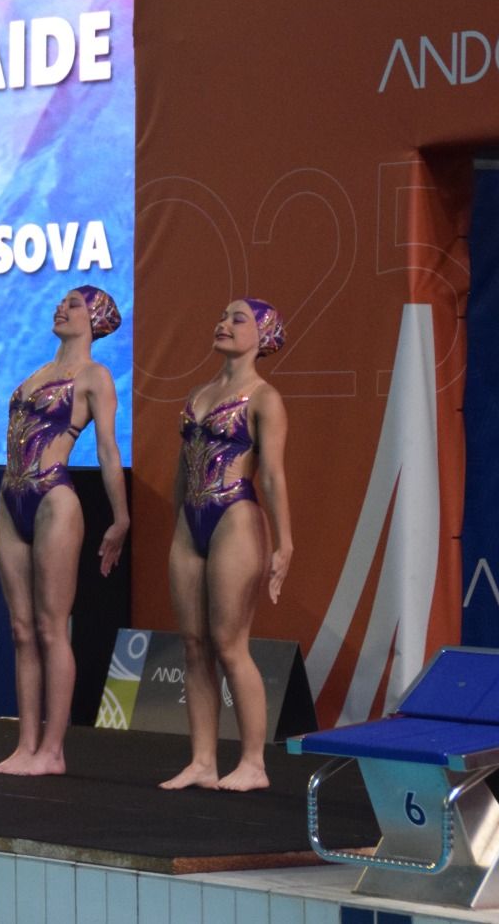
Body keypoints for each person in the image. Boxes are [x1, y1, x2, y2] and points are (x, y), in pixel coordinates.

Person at [0, 286, 129, 776]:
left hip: (53, 497)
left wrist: (121, 517)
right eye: (61, 302)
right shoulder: (36, 375)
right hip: (11, 497)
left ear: (95, 317)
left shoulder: (95, 376)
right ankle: (25, 745)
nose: (61, 308)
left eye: (73, 304)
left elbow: (107, 450)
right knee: (21, 629)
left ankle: (53, 750)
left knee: (51, 627)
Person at [160, 298, 292, 792]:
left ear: (263, 335)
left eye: (239, 319)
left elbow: (272, 475)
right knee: (193, 644)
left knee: (230, 644)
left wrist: (285, 543)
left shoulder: (264, 398)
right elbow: (182, 467)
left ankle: (254, 763)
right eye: (222, 316)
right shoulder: (198, 393)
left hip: (235, 514)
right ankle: (202, 761)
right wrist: (179, 521)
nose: (224, 324)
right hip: (190, 520)